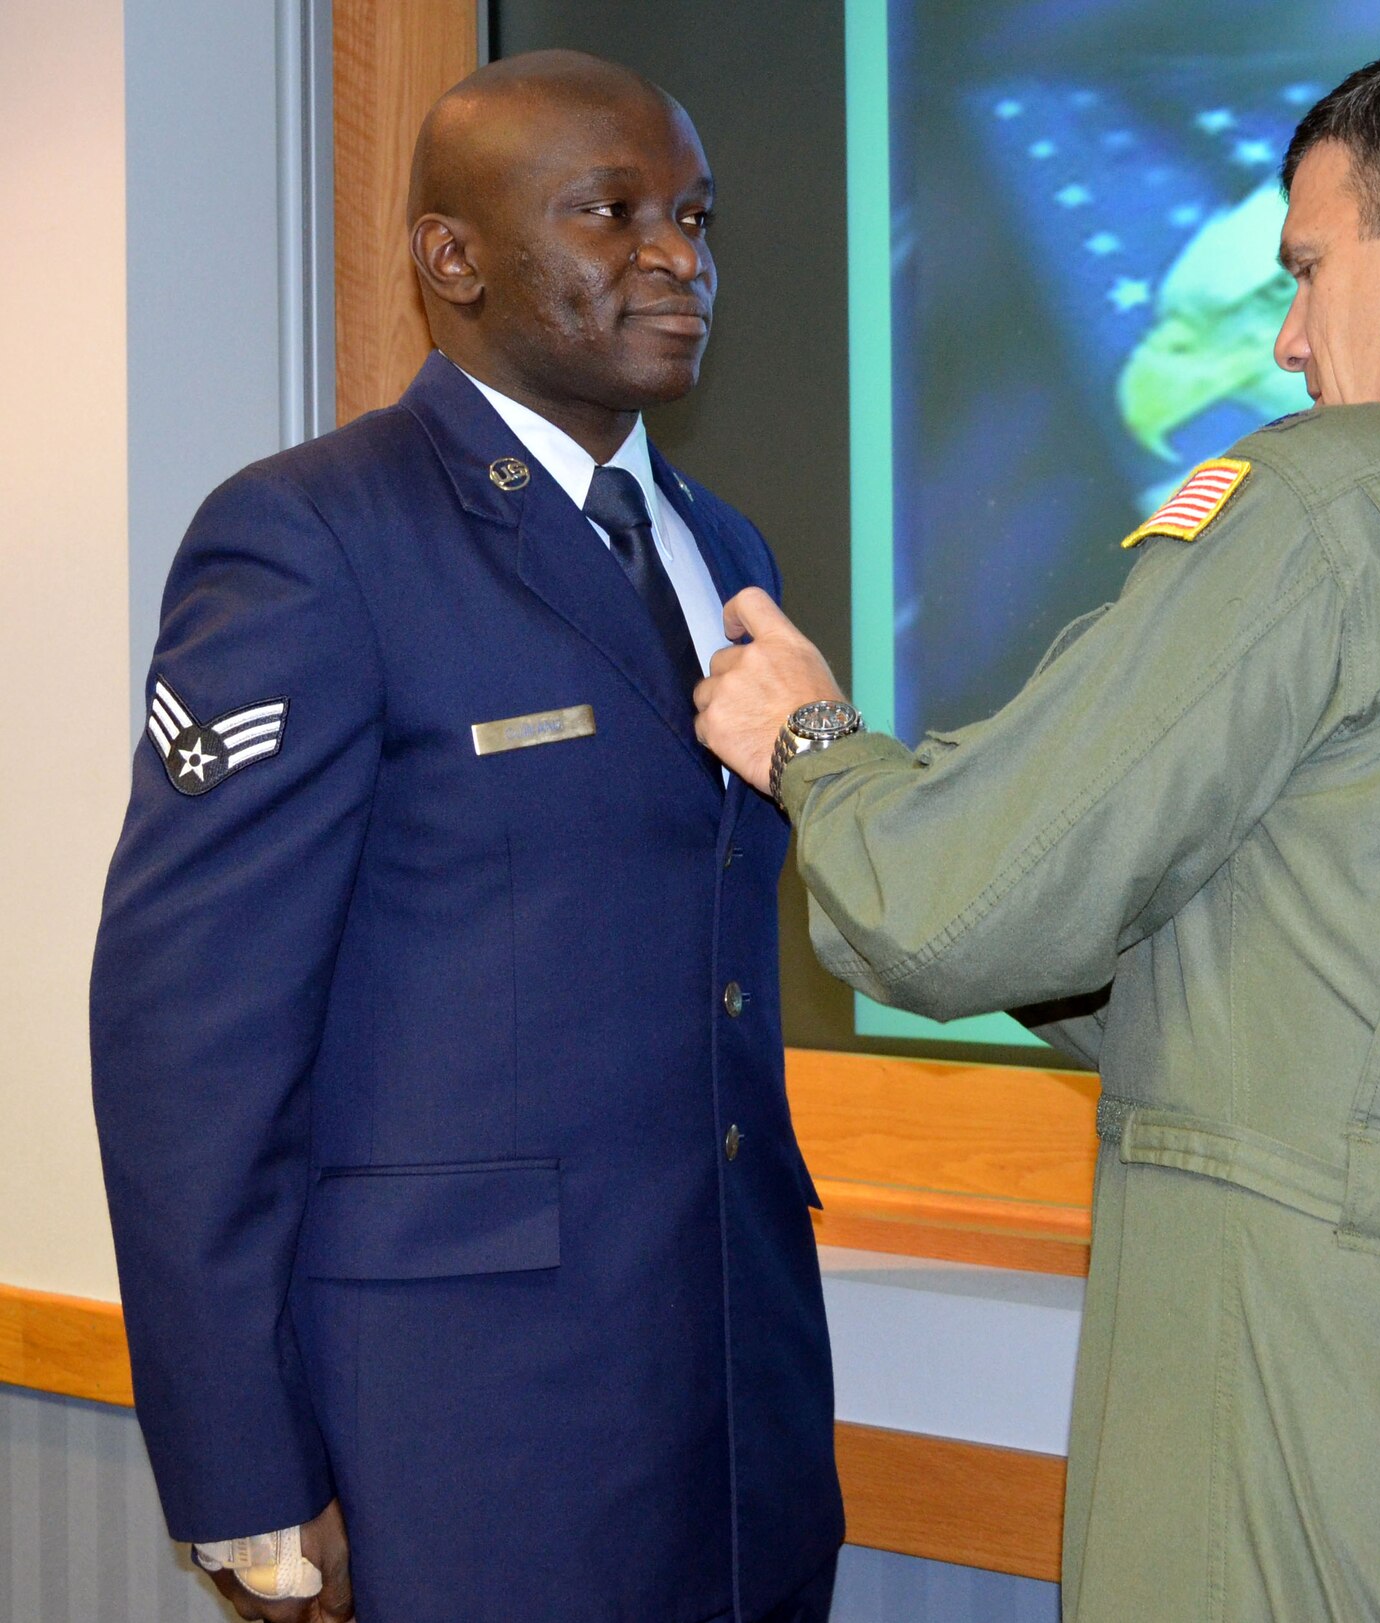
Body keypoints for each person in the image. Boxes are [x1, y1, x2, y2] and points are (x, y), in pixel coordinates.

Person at [695, 25, 1380, 1623]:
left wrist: (814, 743)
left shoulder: (1332, 511)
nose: (1286, 339)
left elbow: (940, 905)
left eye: (1304, 264)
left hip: (1299, 1472)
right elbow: (1305, 998)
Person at [91, 49, 840, 1623]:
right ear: (451, 257)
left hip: (734, 1421)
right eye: (610, 212)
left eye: (695, 215)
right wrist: (245, 1477)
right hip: (464, 1440)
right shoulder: (311, 538)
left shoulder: (726, 548)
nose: (677, 255)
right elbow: (190, 1046)